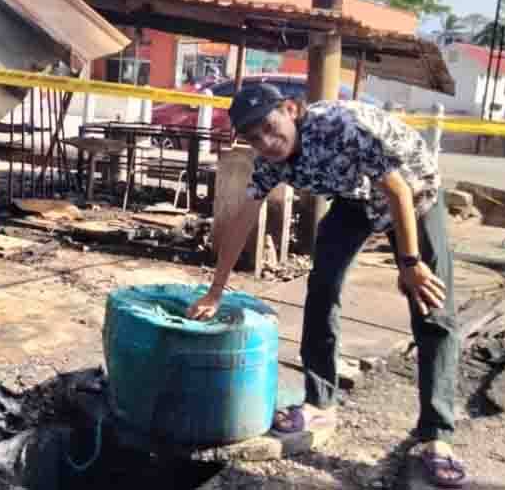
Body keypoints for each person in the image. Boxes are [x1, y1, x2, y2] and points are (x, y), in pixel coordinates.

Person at [187, 84, 467, 489]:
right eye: (253, 137)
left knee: (432, 308)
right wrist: (215, 290)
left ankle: (436, 437)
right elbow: (242, 220)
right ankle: (320, 402)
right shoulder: (270, 162)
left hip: (414, 195)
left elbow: (398, 191)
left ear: (290, 109)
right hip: (355, 200)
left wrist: (410, 264)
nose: (266, 142)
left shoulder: (341, 127)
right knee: (321, 289)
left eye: (270, 126)